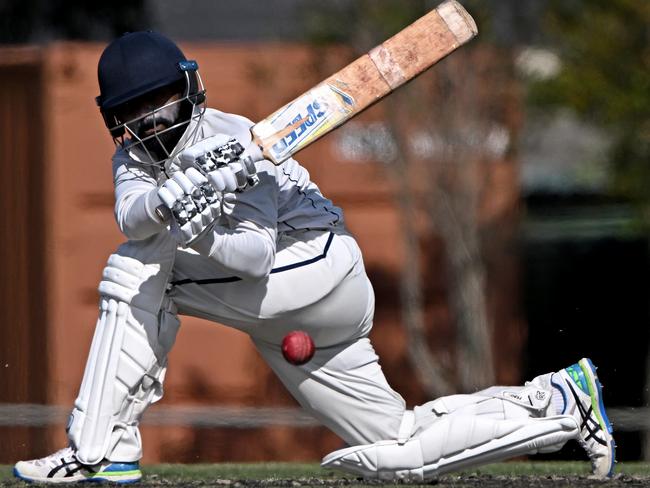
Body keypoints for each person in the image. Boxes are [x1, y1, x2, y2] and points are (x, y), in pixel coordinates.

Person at [14, 31, 615, 484]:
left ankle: (99, 449)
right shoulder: (134, 163)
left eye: (163, 101)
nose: (153, 121)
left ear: (190, 88)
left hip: (318, 272)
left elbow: (250, 257)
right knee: (398, 449)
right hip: (287, 319)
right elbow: (132, 216)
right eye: (134, 112)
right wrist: (171, 201)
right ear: (114, 120)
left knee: (139, 269)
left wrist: (199, 231)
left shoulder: (232, 140)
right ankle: (561, 404)